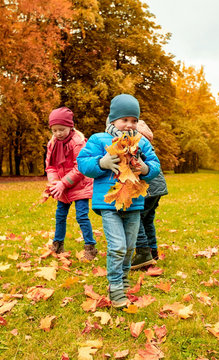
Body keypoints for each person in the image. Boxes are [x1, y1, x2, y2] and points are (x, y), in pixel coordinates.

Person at [77, 94, 161, 308]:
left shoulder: (140, 142)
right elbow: (83, 163)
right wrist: (101, 163)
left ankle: (123, 278)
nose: (129, 125)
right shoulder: (98, 139)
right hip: (109, 204)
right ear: (112, 120)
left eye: (134, 120)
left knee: (130, 246)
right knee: (117, 246)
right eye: (125, 120)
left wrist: (146, 169)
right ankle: (115, 287)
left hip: (134, 202)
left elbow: (155, 164)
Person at [45, 107, 97, 261]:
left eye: (61, 129)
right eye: (54, 130)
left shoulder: (78, 142)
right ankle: (58, 244)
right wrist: (55, 184)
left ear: (70, 126)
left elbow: (80, 167)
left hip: (79, 185)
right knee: (60, 215)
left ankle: (90, 247)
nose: (58, 133)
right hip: (62, 186)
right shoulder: (52, 143)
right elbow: (50, 166)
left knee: (81, 216)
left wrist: (63, 183)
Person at [130, 120, 168, 270]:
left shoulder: (137, 143)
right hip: (157, 189)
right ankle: (153, 251)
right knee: (148, 220)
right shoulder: (148, 145)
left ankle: (143, 251)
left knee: (136, 218)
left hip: (147, 189)